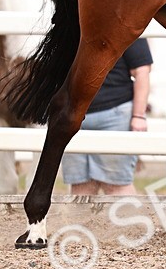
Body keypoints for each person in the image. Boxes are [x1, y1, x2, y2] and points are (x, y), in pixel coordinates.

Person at [61, 38, 152, 196]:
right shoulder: (69, 24)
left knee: (117, 185)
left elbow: (142, 71)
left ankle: (130, 220)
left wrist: (138, 115)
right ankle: (83, 221)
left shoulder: (127, 20)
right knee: (80, 186)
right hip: (73, 115)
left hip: (114, 114)